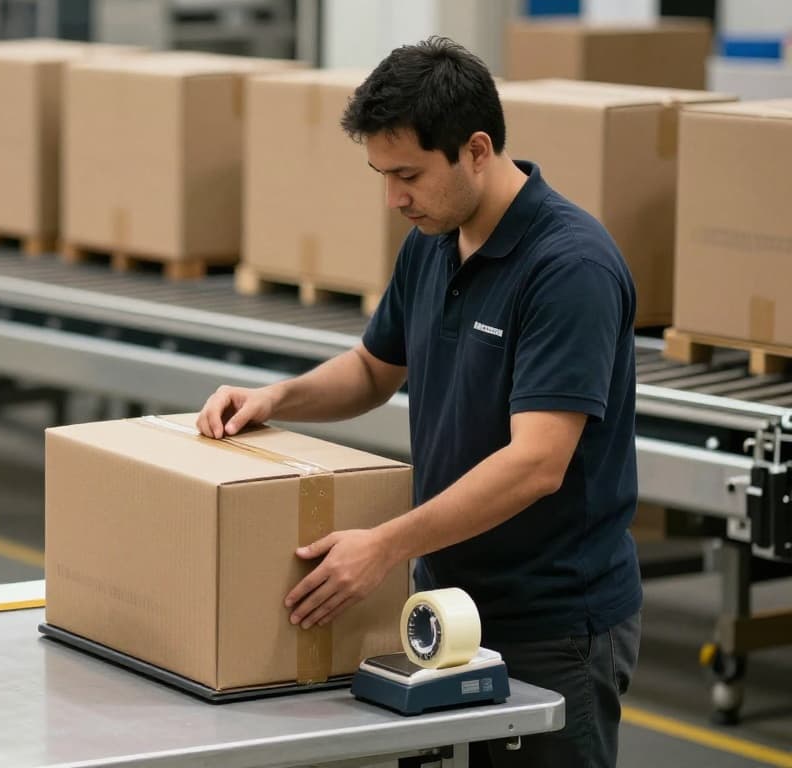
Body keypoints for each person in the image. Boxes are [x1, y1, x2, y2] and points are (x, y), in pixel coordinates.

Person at [195, 37, 641, 768]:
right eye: (382, 175)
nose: (395, 199)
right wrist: (276, 396)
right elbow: (375, 368)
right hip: (444, 605)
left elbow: (536, 464)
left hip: (553, 621)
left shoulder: (569, 267)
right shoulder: (434, 239)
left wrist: (384, 545)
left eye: (408, 175)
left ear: (475, 149)